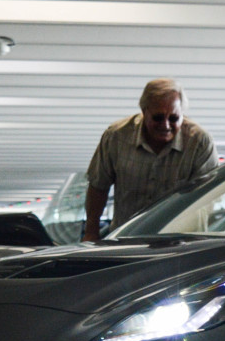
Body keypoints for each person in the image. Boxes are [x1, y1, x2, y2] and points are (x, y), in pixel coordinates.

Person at [83, 78, 217, 241]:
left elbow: (208, 197)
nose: (166, 125)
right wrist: (91, 232)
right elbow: (98, 185)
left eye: (174, 118)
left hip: (181, 241)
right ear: (144, 111)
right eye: (158, 118)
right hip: (127, 238)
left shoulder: (199, 142)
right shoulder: (117, 136)